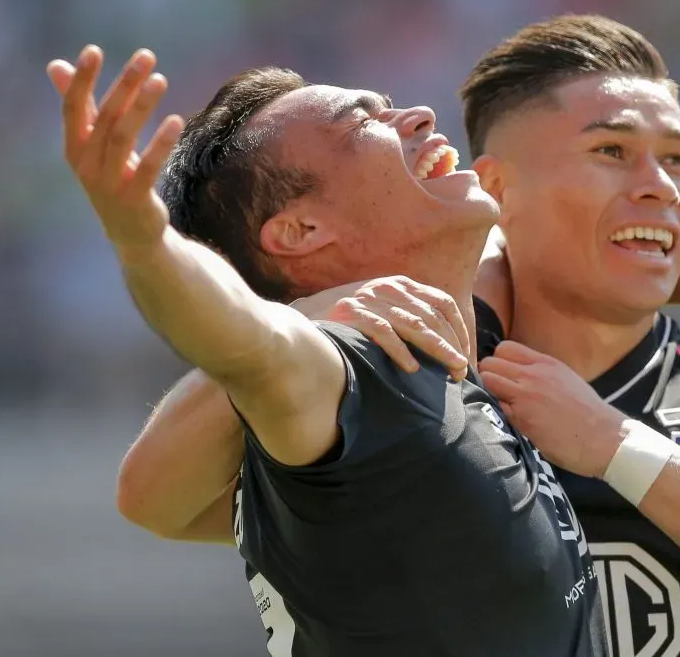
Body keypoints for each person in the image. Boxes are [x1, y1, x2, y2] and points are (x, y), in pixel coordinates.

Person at [47, 16, 680, 657]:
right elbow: (165, 474)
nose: (658, 187)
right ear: (498, 185)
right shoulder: (408, 359)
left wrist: (617, 442)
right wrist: (270, 294)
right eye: (610, 152)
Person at [51, 45, 608, 657]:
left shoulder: (449, 358)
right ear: (301, 232)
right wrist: (143, 242)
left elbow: (150, 500)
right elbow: (244, 343)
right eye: (363, 122)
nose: (420, 115)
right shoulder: (361, 371)